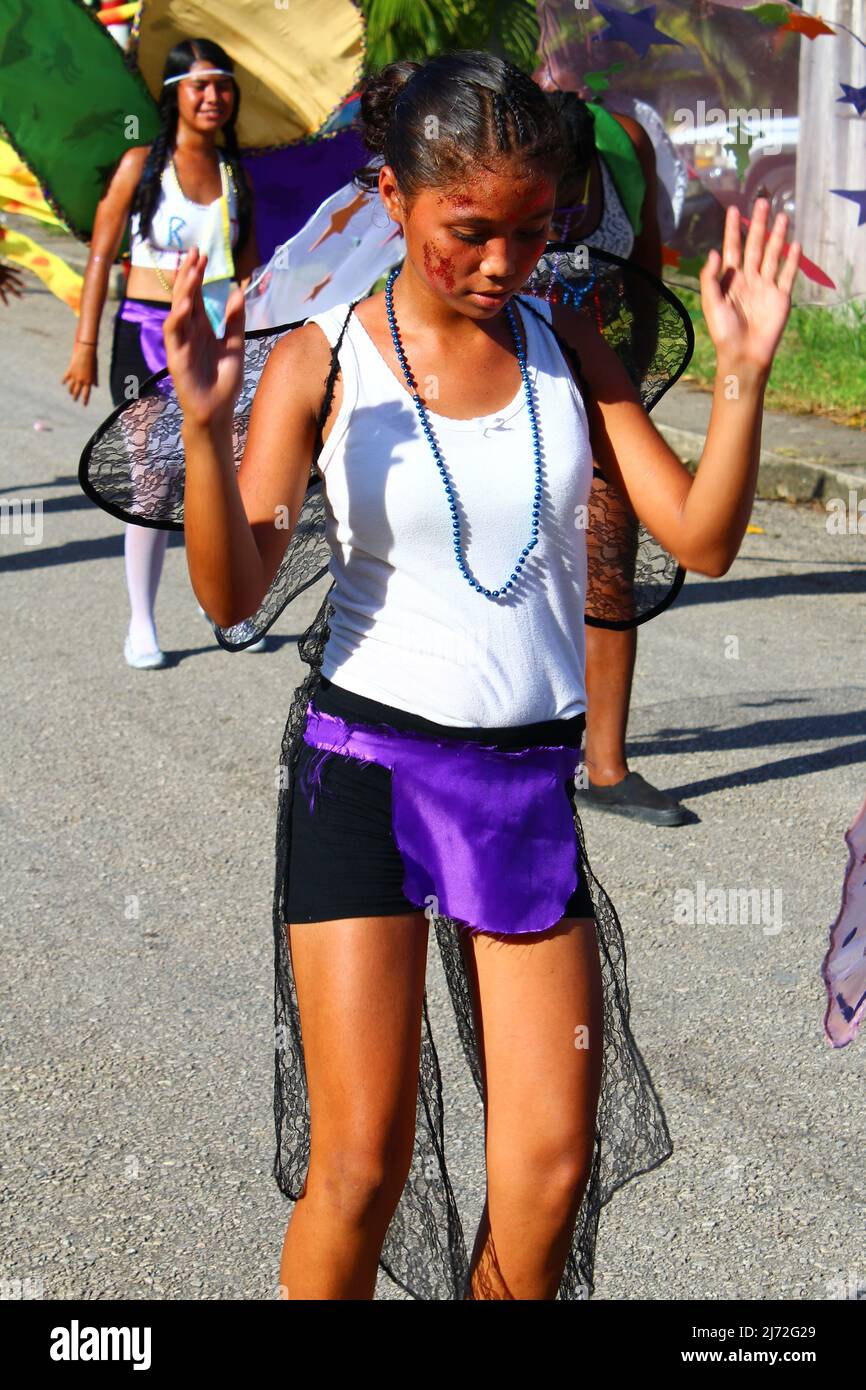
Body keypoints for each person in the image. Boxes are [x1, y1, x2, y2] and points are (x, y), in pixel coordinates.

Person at [162, 50, 800, 1300]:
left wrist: (741, 372)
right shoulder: (324, 361)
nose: (504, 263)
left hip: (517, 791)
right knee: (361, 1164)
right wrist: (200, 428)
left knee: (550, 1166)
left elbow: (703, 536)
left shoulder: (567, 348)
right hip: (363, 779)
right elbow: (232, 590)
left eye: (532, 231)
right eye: (470, 232)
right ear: (392, 200)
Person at [60, 37, 263, 668]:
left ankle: (220, 599)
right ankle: (141, 623)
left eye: (222, 84)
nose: (213, 97)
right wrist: (86, 342)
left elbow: (250, 274)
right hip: (146, 335)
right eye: (200, 84)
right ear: (174, 93)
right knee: (151, 484)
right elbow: (101, 254)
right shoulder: (140, 166)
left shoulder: (235, 177)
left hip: (213, 339)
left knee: (221, 480)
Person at [546, 88, 689, 826]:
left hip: (599, 380)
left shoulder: (625, 146)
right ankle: (506, 742)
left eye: (571, 180)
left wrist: (631, 393)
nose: (560, 198)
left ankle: (605, 766)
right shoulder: (504, 162)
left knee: (610, 557)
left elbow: (647, 270)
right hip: (505, 385)